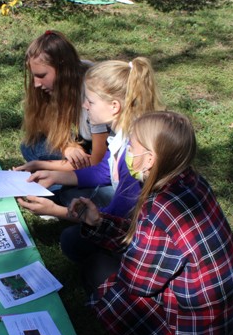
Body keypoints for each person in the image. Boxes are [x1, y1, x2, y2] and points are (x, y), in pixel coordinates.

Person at [70, 111, 233, 335]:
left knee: (97, 268)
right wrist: (99, 222)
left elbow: (137, 282)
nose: (127, 152)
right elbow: (148, 242)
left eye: (132, 146)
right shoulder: (191, 181)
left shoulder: (160, 207)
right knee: (106, 258)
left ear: (150, 159)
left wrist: (112, 250)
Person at [17, 57, 163, 228]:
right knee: (69, 194)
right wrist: (53, 176)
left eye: (90, 101)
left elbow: (117, 218)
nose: (85, 106)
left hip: (139, 225)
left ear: (114, 106)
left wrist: (56, 211)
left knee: (71, 238)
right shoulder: (122, 135)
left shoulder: (133, 152)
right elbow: (102, 172)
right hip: (125, 207)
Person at [19, 30, 102, 171]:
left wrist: (41, 165)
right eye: (34, 76)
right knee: (30, 146)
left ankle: (65, 177)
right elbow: (45, 125)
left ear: (63, 69)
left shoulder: (95, 95)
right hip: (85, 144)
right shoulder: (60, 84)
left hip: (103, 155)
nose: (36, 84)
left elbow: (99, 164)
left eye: (42, 75)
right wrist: (67, 147)